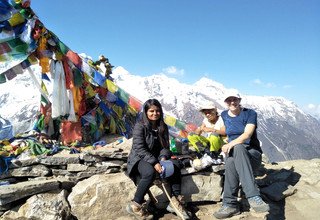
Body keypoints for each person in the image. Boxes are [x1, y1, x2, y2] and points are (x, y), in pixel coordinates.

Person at [126, 99, 189, 220]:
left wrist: (163, 157)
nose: (155, 113)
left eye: (158, 111)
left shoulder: (163, 126)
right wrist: (154, 162)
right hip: (140, 158)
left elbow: (165, 147)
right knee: (149, 172)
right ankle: (136, 204)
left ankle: (175, 200)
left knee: (175, 165)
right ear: (146, 112)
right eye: (151, 111)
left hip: (157, 157)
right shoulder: (140, 126)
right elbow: (139, 148)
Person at [213, 93, 270, 219]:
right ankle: (230, 204)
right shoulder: (224, 115)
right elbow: (226, 131)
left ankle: (249, 197)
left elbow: (247, 134)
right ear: (225, 102)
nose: (232, 102)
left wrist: (231, 144)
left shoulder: (250, 113)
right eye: (229, 100)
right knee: (231, 159)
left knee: (237, 147)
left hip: (252, 154)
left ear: (239, 100)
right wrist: (210, 131)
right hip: (235, 155)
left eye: (235, 99)